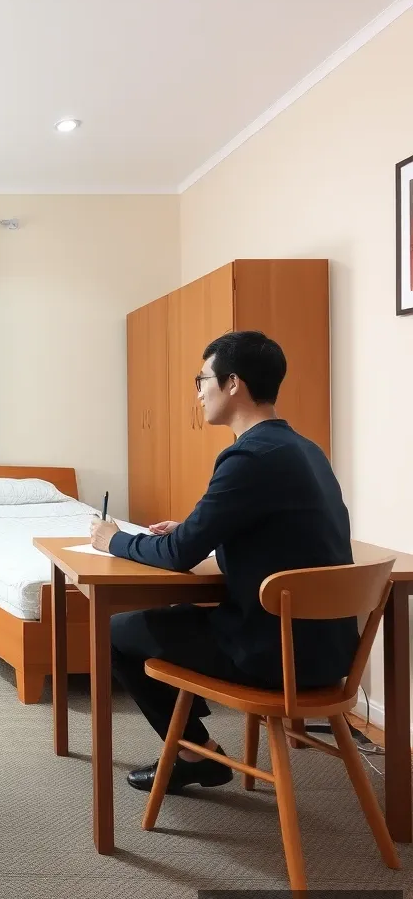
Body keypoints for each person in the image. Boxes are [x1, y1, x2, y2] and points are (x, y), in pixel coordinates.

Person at [89, 331, 353, 793]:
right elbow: (262, 527)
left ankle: (196, 754)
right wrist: (192, 530)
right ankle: (196, 752)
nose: (198, 392)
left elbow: (177, 556)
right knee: (172, 621)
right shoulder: (305, 450)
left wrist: (113, 540)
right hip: (330, 655)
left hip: (273, 656)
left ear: (233, 383)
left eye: (201, 379)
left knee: (117, 630)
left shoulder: (247, 456)